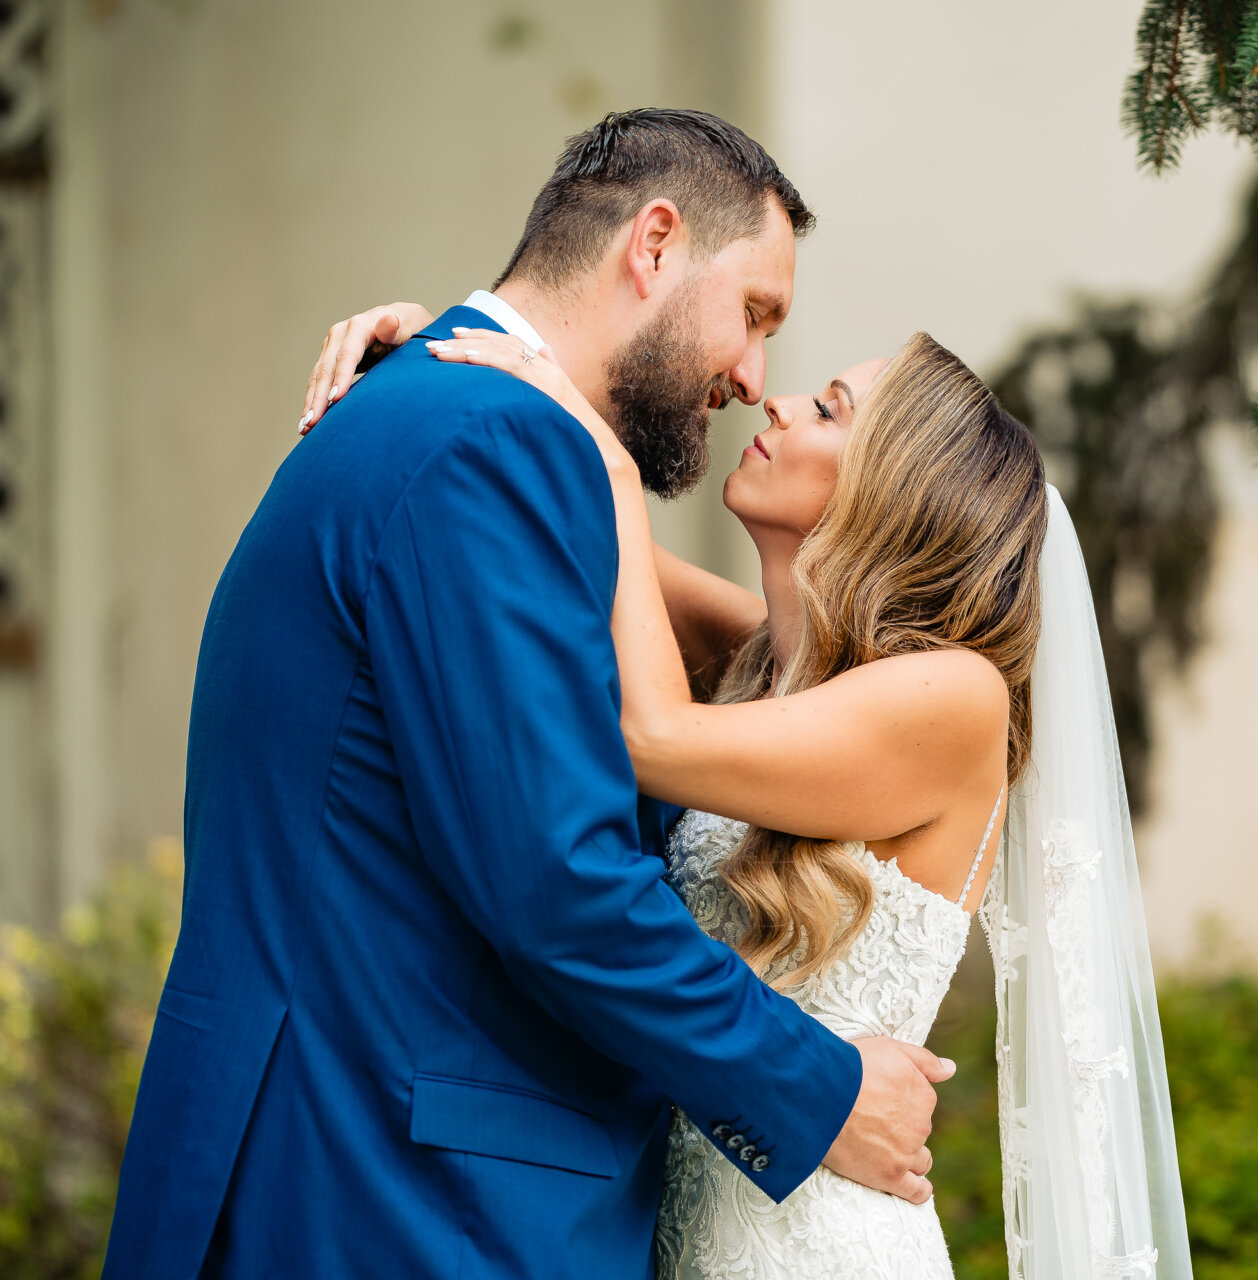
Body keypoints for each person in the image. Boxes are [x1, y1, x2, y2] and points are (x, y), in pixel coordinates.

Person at [104, 110, 951, 1280]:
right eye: (755, 313)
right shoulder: (491, 447)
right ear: (653, 245)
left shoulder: (457, 418)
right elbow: (559, 883)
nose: (755, 378)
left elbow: (780, 673)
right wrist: (819, 1088)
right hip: (394, 1201)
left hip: (356, 1162)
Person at [299, 325, 1194, 1276]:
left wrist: (605, 457)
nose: (781, 401)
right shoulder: (769, 671)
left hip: (818, 1248)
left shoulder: (955, 697)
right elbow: (571, 549)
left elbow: (651, 736)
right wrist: (427, 361)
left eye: (832, 410)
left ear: (899, 489)